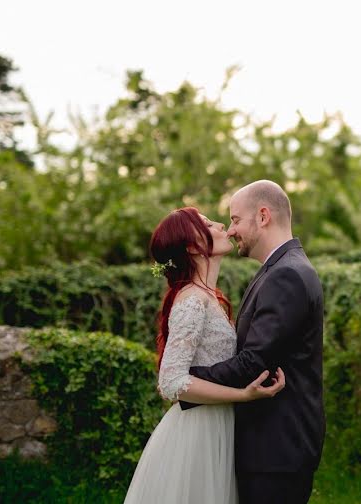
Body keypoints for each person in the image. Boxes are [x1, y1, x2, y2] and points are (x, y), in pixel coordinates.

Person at [124, 206, 286, 504]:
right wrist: (243, 396)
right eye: (208, 224)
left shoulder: (209, 297)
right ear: (192, 246)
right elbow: (171, 382)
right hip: (196, 433)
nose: (221, 224)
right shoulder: (192, 301)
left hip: (218, 424)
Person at [183, 180, 325, 504]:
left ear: (262, 217)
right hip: (270, 447)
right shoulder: (277, 269)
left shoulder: (286, 275)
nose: (231, 231)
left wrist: (185, 380)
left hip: (276, 449)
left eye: (235, 220)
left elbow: (254, 362)